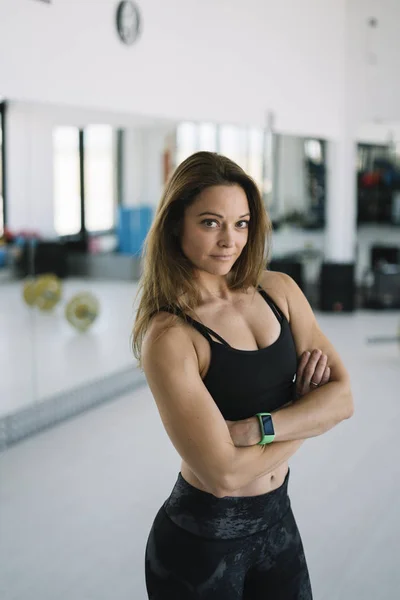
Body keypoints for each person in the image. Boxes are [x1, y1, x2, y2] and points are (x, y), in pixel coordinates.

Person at [132, 151, 354, 599]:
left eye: (242, 223)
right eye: (210, 222)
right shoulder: (171, 334)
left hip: (278, 522)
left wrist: (260, 428)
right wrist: (307, 414)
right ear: (176, 223)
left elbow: (343, 398)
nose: (229, 240)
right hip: (199, 545)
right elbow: (224, 476)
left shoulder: (279, 291)